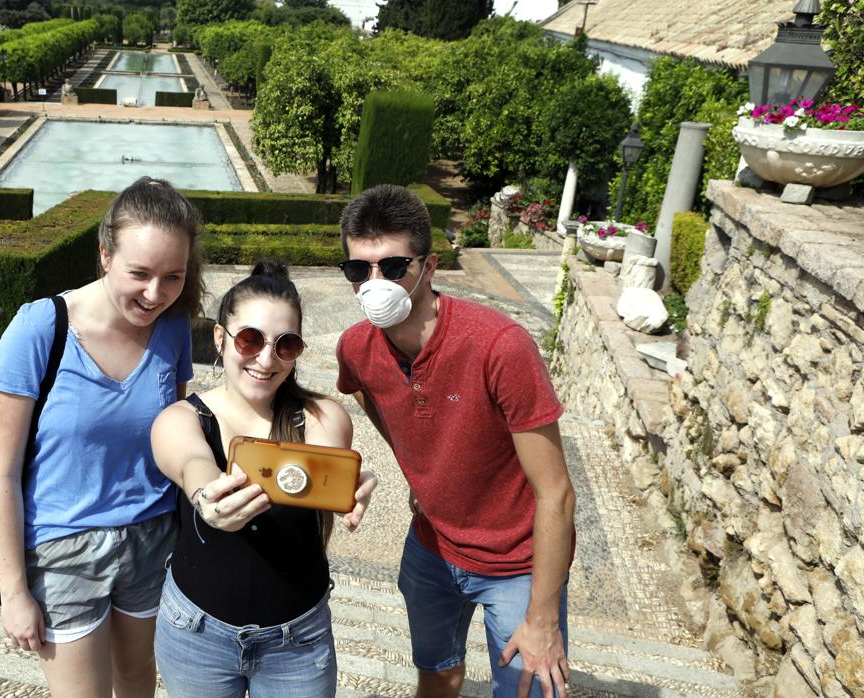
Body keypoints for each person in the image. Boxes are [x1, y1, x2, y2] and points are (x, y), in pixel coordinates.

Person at [333, 185, 577, 698]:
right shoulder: (356, 348)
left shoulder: (499, 347)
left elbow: (556, 492)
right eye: (359, 270)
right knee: (438, 676)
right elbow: (374, 400)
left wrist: (543, 619)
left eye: (394, 266)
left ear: (429, 266)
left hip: (517, 566)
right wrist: (423, 471)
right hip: (431, 549)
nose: (375, 283)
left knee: (530, 690)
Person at [0, 176, 204, 698]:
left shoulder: (172, 329)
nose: (155, 294)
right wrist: (15, 592)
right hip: (62, 548)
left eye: (172, 277)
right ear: (104, 255)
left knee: (137, 685)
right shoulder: (40, 328)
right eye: (140, 273)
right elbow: (2, 472)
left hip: (153, 538)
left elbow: (179, 436)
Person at [150, 262, 378, 698]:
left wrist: (344, 481)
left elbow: (325, 452)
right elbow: (191, 461)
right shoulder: (182, 418)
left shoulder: (319, 414)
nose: (266, 358)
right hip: (196, 633)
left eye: (285, 344)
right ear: (220, 338)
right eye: (250, 339)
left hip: (297, 640)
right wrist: (207, 497)